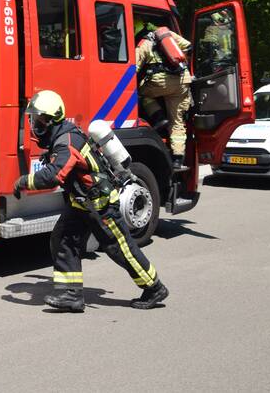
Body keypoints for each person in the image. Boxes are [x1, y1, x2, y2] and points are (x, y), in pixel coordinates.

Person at [12, 90, 169, 312]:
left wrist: (23, 182)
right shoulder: (62, 136)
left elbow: (54, 175)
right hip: (81, 203)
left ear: (50, 119)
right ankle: (71, 295)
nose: (34, 123)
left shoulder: (66, 143)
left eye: (37, 118)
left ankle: (154, 287)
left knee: (119, 248)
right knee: (63, 240)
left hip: (100, 206)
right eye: (33, 118)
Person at [135, 23, 192, 169]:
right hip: (181, 82)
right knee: (178, 121)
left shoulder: (144, 43)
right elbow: (189, 47)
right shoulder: (170, 35)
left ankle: (159, 117)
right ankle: (178, 159)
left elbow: (133, 68)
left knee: (140, 93)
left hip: (159, 83)